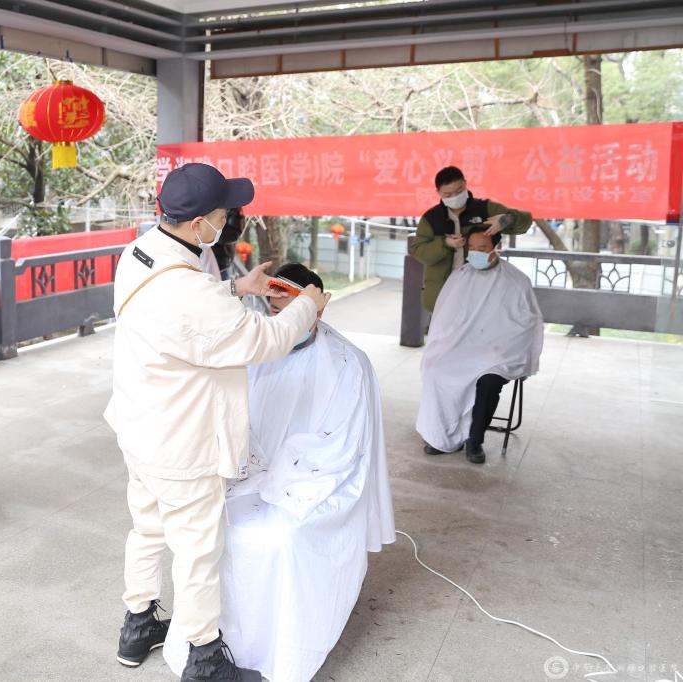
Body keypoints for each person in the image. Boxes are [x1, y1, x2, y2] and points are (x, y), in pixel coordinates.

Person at [106, 163, 330, 682]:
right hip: (182, 443)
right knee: (198, 552)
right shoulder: (191, 292)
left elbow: (183, 310)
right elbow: (267, 340)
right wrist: (308, 305)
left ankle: (137, 623)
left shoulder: (141, 252)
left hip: (140, 426)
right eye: (223, 212)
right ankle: (204, 659)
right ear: (198, 223)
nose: (228, 219)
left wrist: (237, 288)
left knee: (147, 528)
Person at [162, 263, 396, 682]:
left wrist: (282, 478)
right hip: (248, 474)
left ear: (318, 309)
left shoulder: (348, 364)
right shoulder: (256, 350)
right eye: (274, 313)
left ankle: (283, 653)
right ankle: (207, 647)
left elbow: (342, 448)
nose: (283, 324)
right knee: (209, 525)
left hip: (315, 482)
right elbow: (230, 420)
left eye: (294, 313)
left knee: (281, 538)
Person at [416, 226, 544, 464]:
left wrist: (501, 348)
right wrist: (447, 344)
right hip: (461, 347)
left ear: (497, 247)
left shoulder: (516, 281)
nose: (475, 253)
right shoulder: (460, 277)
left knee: (488, 382)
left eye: (482, 248)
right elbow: (445, 320)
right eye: (472, 248)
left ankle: (474, 441)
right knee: (436, 369)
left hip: (498, 353)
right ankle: (442, 435)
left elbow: (527, 324)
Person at [410, 166, 533, 312]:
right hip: (443, 293)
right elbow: (419, 252)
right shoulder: (431, 218)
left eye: (459, 191)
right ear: (438, 193)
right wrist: (445, 243)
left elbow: (525, 221)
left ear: (465, 183)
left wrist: (508, 219)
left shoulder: (485, 209)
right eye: (448, 194)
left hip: (482, 291)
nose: (455, 197)